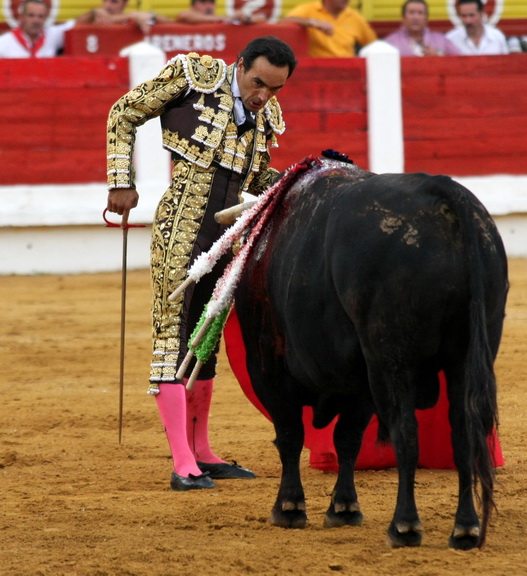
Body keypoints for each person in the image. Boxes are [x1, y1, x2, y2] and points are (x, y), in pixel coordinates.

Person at [105, 36, 298, 491]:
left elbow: (258, 173)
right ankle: (181, 460)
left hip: (227, 235)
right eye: (258, 83)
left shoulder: (265, 115)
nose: (264, 96)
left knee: (204, 336)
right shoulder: (195, 77)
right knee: (172, 333)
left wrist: (297, 180)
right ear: (241, 64)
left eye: (275, 89)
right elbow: (124, 112)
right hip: (182, 226)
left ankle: (202, 451)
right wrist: (120, 182)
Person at [282, 0, 377, 58]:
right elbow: (286, 21)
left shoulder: (355, 17)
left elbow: (374, 46)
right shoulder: (310, 9)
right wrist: (314, 23)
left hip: (348, 70)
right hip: (319, 70)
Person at [0, 0, 75, 58]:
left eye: (41, 16)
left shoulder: (52, 35)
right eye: (31, 15)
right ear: (21, 17)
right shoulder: (4, 42)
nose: (36, 21)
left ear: (46, 18)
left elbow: (77, 23)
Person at [384, 0, 459, 56]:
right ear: (403, 17)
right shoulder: (391, 42)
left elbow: (459, 61)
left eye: (420, 13)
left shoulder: (441, 40)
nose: (416, 18)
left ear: (426, 18)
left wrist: (438, 54)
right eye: (411, 12)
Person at [79, 0, 170, 35]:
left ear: (125, 4)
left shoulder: (133, 19)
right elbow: (76, 23)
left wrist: (151, 15)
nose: (107, 5)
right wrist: (93, 12)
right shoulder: (95, 17)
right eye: (105, 1)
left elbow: (169, 22)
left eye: (114, 2)